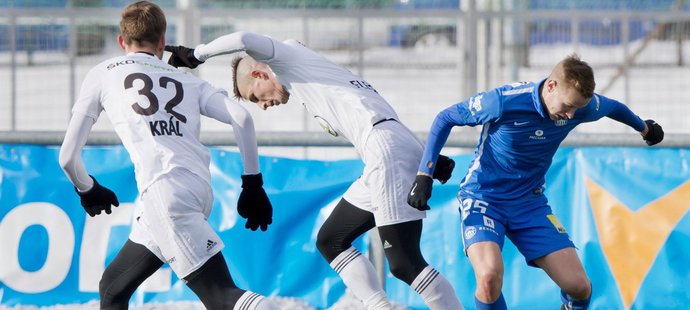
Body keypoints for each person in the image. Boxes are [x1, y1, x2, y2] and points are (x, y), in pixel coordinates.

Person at [165, 31, 464, 309]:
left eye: (256, 96)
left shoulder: (284, 60)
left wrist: (198, 53)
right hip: (386, 149)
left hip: (385, 150)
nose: (262, 106)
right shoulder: (309, 73)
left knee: (404, 262)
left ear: (260, 73)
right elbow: (374, 108)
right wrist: (425, 155)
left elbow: (244, 38)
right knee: (331, 239)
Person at [58, 2, 279, 309]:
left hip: (165, 193)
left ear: (122, 42)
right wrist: (252, 184)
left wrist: (87, 188)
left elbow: (67, 158)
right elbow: (241, 118)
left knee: (223, 297)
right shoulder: (187, 79)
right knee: (113, 287)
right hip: (196, 190)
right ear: (162, 42)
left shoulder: (102, 73)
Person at [407, 54, 664, 309]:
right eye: (567, 106)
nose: (571, 115)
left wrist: (644, 128)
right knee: (488, 278)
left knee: (579, 287)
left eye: (576, 109)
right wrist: (424, 174)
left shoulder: (580, 108)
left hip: (530, 203)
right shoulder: (501, 102)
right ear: (551, 86)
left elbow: (614, 107)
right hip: (483, 198)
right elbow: (445, 118)